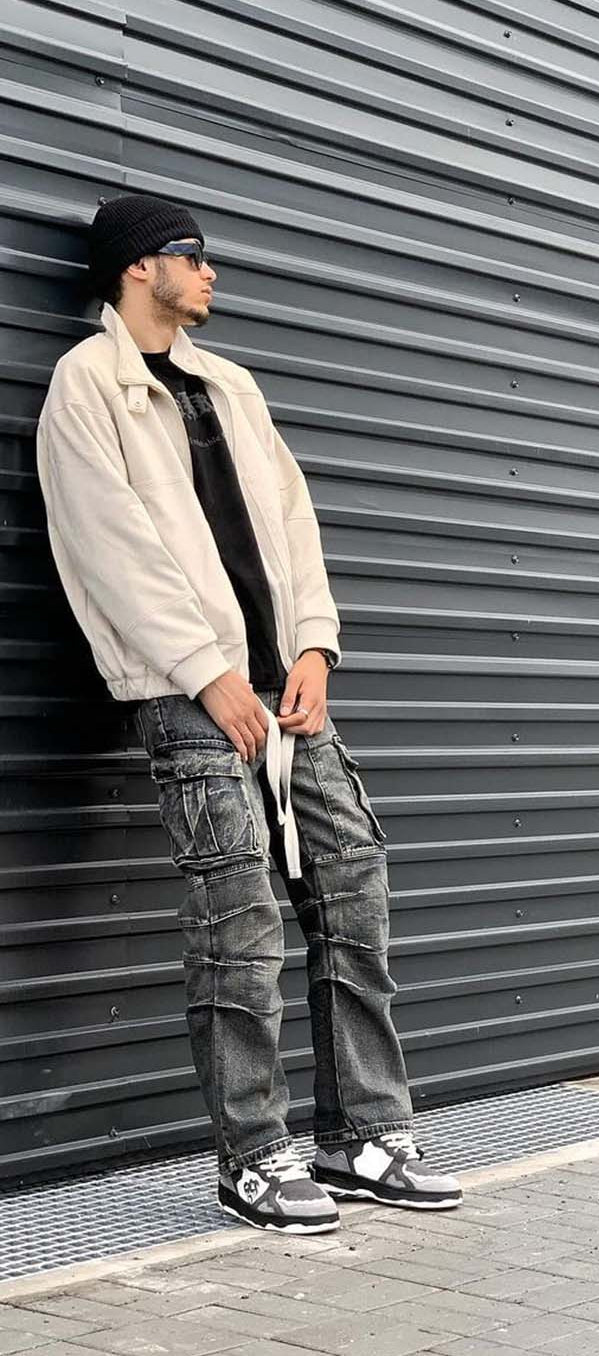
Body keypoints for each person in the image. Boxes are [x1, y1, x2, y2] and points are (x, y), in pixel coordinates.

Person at [37, 194, 461, 1232]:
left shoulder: (230, 384)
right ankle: (254, 1156)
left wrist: (314, 646)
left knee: (353, 884)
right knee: (238, 922)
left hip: (284, 691)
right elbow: (107, 545)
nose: (210, 271)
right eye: (193, 255)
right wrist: (202, 670)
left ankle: (364, 1133)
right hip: (188, 698)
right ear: (141, 269)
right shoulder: (86, 388)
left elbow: (292, 522)